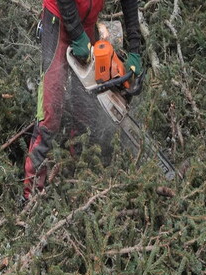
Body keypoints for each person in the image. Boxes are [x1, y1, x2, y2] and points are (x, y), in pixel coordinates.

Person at [23, 0, 144, 199]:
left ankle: (75, 181)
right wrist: (77, 35)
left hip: (88, 23)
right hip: (58, 21)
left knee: (86, 110)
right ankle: (31, 195)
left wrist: (135, 49)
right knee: (49, 112)